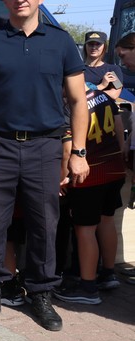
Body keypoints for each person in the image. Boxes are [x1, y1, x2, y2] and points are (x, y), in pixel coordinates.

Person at [0, 0, 89, 332]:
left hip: (45, 147)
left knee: (45, 224)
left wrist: (78, 152)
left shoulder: (61, 42)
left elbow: (78, 101)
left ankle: (41, 293)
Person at [54, 82, 126, 304]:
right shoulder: (105, 98)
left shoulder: (72, 105)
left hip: (89, 175)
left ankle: (87, 287)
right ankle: (108, 273)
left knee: (85, 230)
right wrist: (120, 156)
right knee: (107, 221)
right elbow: (119, 128)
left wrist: (62, 178)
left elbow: (67, 151)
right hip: (114, 168)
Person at [82, 31, 122, 100]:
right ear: (85, 46)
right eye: (90, 44)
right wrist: (101, 86)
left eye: (98, 44)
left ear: (104, 46)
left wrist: (87, 93)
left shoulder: (113, 69)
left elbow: (114, 94)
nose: (94, 47)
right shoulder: (77, 69)